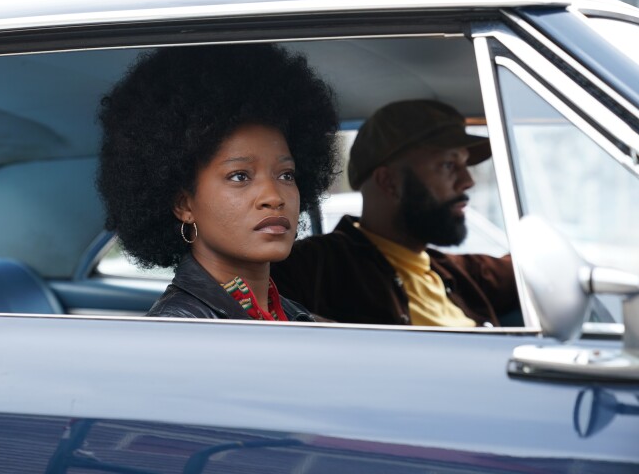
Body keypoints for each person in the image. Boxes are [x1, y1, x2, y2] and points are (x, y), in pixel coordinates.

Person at [97, 43, 339, 321]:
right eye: (240, 176)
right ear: (184, 204)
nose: (273, 196)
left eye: (286, 175)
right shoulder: (178, 332)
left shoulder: (300, 318)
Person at [271, 99, 520, 327]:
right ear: (389, 182)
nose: (467, 181)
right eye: (448, 165)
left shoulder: (452, 269)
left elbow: (533, 267)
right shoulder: (313, 267)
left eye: (464, 165)